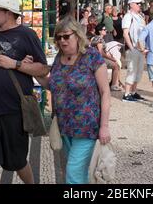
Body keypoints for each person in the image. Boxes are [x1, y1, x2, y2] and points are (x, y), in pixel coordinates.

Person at [0, 0, 49, 184]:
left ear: (8, 13)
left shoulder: (27, 35)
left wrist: (15, 64)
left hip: (13, 111)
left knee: (17, 162)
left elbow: (42, 68)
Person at [36, 16, 111, 184]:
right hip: (64, 127)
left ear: (77, 35)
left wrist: (104, 126)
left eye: (66, 36)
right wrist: (33, 73)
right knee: (81, 174)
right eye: (58, 37)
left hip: (87, 127)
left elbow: (105, 92)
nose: (62, 41)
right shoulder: (59, 58)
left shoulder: (92, 57)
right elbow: (53, 85)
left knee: (72, 174)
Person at [122, 0, 146, 102]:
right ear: (131, 4)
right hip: (133, 48)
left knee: (139, 71)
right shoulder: (128, 16)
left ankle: (133, 91)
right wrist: (131, 47)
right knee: (132, 70)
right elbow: (125, 33)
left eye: (140, 3)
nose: (139, 5)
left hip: (140, 49)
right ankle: (126, 94)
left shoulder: (140, 17)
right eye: (137, 3)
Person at [91, 24, 122, 91]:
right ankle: (113, 85)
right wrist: (111, 58)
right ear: (100, 31)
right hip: (98, 59)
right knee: (116, 66)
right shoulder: (99, 39)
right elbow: (101, 52)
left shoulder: (95, 38)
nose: (106, 31)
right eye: (104, 29)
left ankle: (114, 83)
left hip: (94, 58)